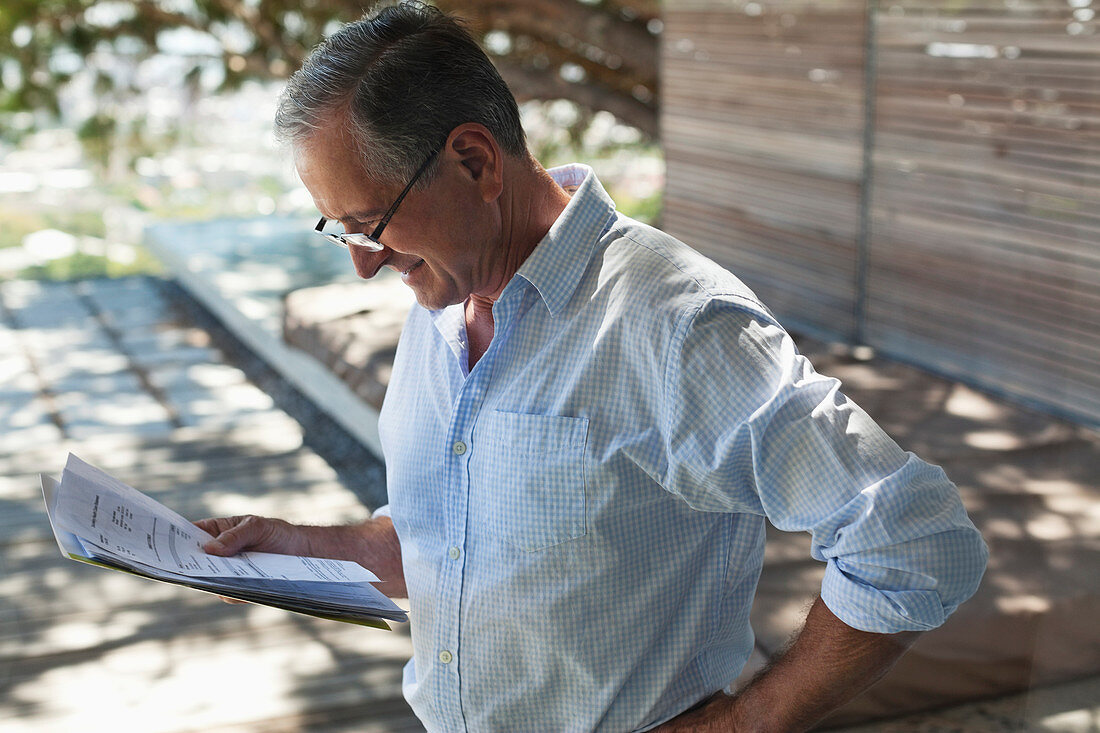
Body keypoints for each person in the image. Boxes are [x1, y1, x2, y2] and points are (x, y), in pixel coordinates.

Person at [196, 2, 989, 731]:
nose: (365, 265)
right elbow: (448, 542)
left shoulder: (676, 324)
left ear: (474, 162)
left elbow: (910, 536)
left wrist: (751, 721)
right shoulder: (439, 303)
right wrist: (295, 546)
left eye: (371, 225)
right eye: (342, 231)